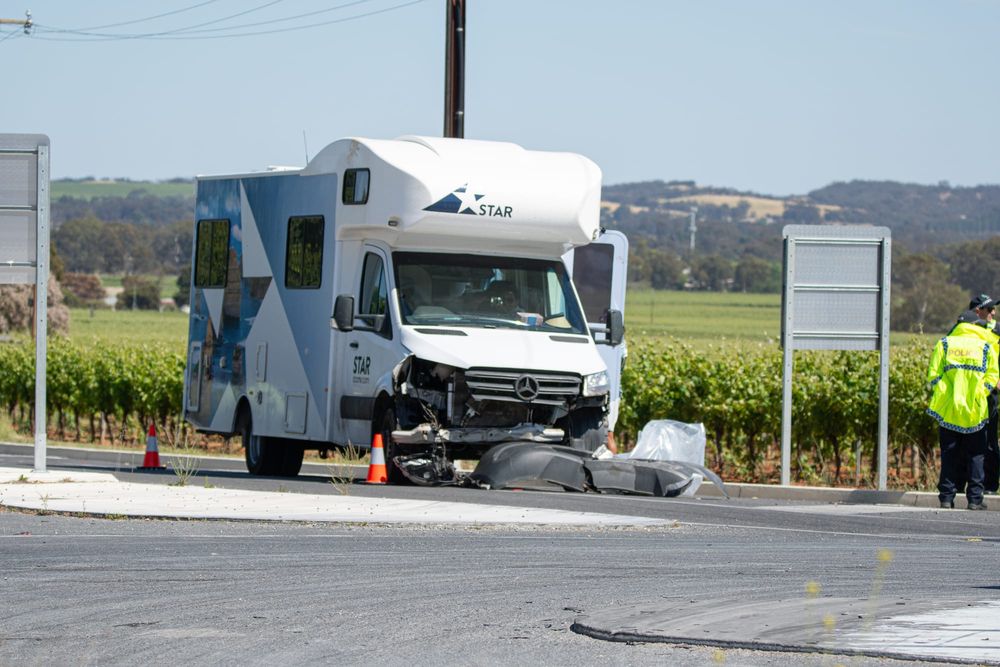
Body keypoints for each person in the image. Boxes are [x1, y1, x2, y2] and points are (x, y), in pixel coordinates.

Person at [927, 309, 999, 509]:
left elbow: (933, 375)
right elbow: (992, 376)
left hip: (949, 411)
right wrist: (979, 393)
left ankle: (946, 498)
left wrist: (947, 395)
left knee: (949, 455)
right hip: (975, 411)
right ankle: (975, 500)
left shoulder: (944, 344)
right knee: (976, 455)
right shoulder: (985, 346)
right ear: (976, 325)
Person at [967, 295, 1000, 493]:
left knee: (989, 442)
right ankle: (966, 484)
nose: (993, 313)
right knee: (965, 441)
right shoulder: (964, 329)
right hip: (969, 393)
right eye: (989, 310)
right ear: (978, 311)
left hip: (990, 393)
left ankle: (990, 485)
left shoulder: (998, 330)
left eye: (994, 309)